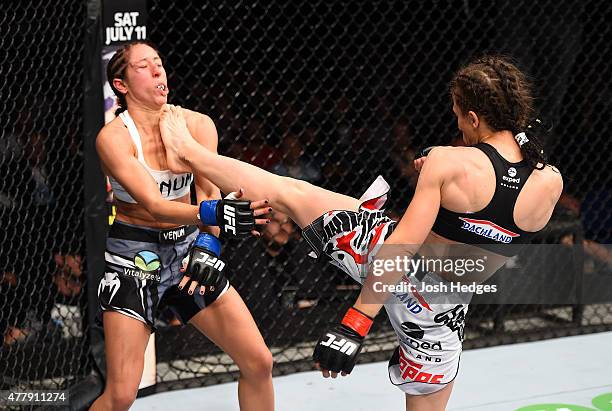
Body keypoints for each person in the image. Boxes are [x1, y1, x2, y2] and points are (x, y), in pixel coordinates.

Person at [158, 55, 563, 411]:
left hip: (395, 267)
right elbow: (491, 227)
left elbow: (401, 249)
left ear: (474, 117)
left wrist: (354, 324)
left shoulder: (449, 161)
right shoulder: (550, 180)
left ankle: (189, 152)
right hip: (445, 309)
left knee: (290, 191)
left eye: (458, 114)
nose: (457, 123)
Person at [91, 41, 274, 411]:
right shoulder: (113, 138)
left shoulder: (196, 125)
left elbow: (208, 194)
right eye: (144, 66)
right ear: (121, 84)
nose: (158, 70)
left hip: (186, 253)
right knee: (122, 394)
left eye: (158, 62)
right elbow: (155, 204)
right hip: (134, 258)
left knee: (259, 362)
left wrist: (209, 245)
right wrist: (213, 214)